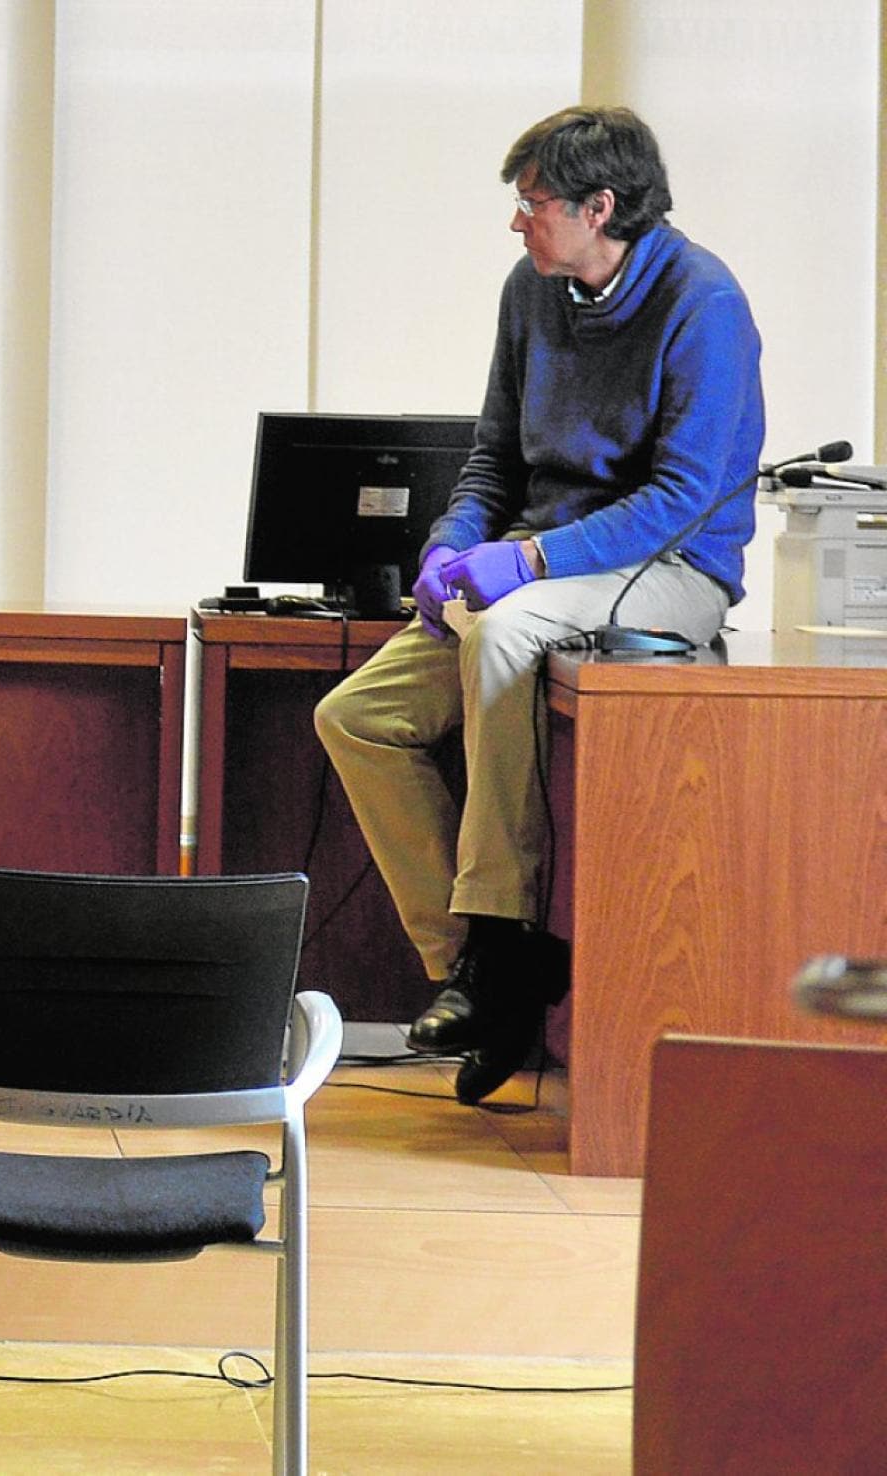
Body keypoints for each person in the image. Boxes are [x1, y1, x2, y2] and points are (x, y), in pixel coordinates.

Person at [313, 106, 764, 1104]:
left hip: (673, 569)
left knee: (511, 628)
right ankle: (473, 965)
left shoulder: (704, 303)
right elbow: (493, 459)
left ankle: (510, 946)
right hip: (545, 563)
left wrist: (531, 562)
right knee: (357, 718)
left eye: (535, 205)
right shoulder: (534, 290)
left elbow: (681, 499)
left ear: (602, 207)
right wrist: (451, 544)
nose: (519, 224)